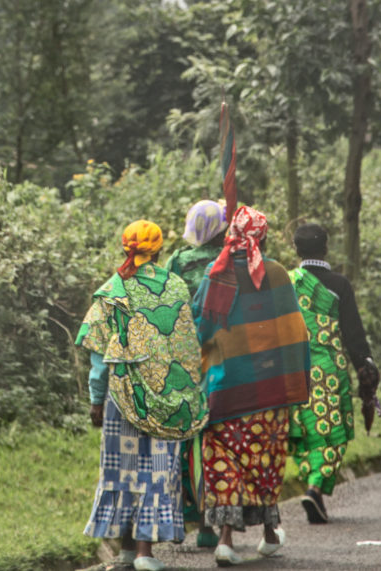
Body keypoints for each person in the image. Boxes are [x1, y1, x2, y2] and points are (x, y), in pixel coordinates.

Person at [75, 220, 208, 571]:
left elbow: (99, 358)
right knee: (157, 469)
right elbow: (186, 346)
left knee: (123, 470)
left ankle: (128, 551)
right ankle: (146, 552)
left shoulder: (113, 291)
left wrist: (95, 399)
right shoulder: (177, 287)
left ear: (125, 249)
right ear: (160, 251)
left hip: (124, 399)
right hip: (169, 400)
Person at [193, 206, 311, 566]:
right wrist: (297, 383)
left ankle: (225, 541)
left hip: (223, 389)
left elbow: (199, 329)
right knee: (264, 460)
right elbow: (294, 332)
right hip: (268, 391)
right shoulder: (276, 274)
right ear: (261, 235)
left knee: (223, 461)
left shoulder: (215, 275)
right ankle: (269, 535)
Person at [288, 223, 379, 524]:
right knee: (334, 430)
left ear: (296, 250)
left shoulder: (288, 283)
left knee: (304, 428)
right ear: (325, 249)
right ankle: (315, 486)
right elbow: (353, 334)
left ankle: (311, 484)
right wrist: (365, 366)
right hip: (330, 369)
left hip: (295, 368)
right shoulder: (339, 285)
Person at [166, 199, 227, 549]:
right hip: (220, 358)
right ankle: (208, 523)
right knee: (213, 438)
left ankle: (179, 519)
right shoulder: (228, 261)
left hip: (183, 359)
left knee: (183, 437)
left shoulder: (176, 261)